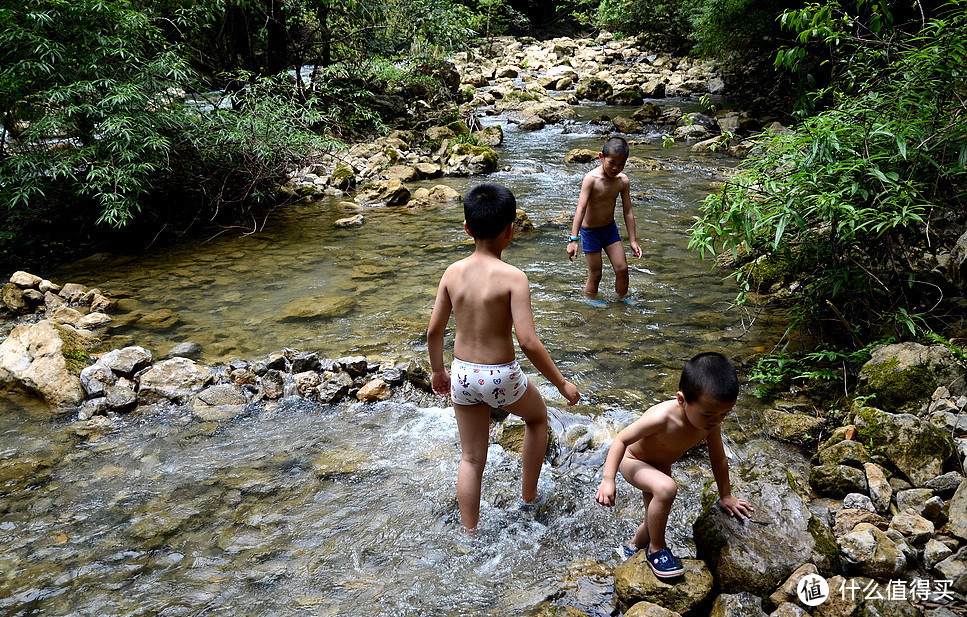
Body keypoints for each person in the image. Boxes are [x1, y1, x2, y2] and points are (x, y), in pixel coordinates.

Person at [427, 182, 581, 533]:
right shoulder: (515, 278)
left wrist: (439, 372)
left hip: (463, 375)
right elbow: (528, 341)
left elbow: (434, 331)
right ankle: (528, 498)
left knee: (471, 458)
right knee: (538, 418)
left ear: (467, 229)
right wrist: (561, 383)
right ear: (511, 230)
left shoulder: (452, 273)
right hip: (501, 377)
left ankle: (470, 533)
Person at [594, 352, 754, 578]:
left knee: (653, 521)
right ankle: (656, 549)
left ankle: (631, 548)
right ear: (682, 400)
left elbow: (718, 459)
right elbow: (621, 439)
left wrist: (725, 495)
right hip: (634, 461)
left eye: (724, 414)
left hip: (660, 466)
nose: (716, 421)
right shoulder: (662, 418)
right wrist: (608, 480)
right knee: (667, 488)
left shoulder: (711, 423)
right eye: (708, 414)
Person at [566, 136, 642, 307]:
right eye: (612, 162)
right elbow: (581, 209)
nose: (616, 168)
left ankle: (622, 299)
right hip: (590, 232)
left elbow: (628, 210)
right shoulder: (591, 179)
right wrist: (573, 239)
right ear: (601, 157)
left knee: (622, 269)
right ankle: (591, 300)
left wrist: (633, 240)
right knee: (596, 274)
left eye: (621, 164)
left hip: (609, 230)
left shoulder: (623, 181)